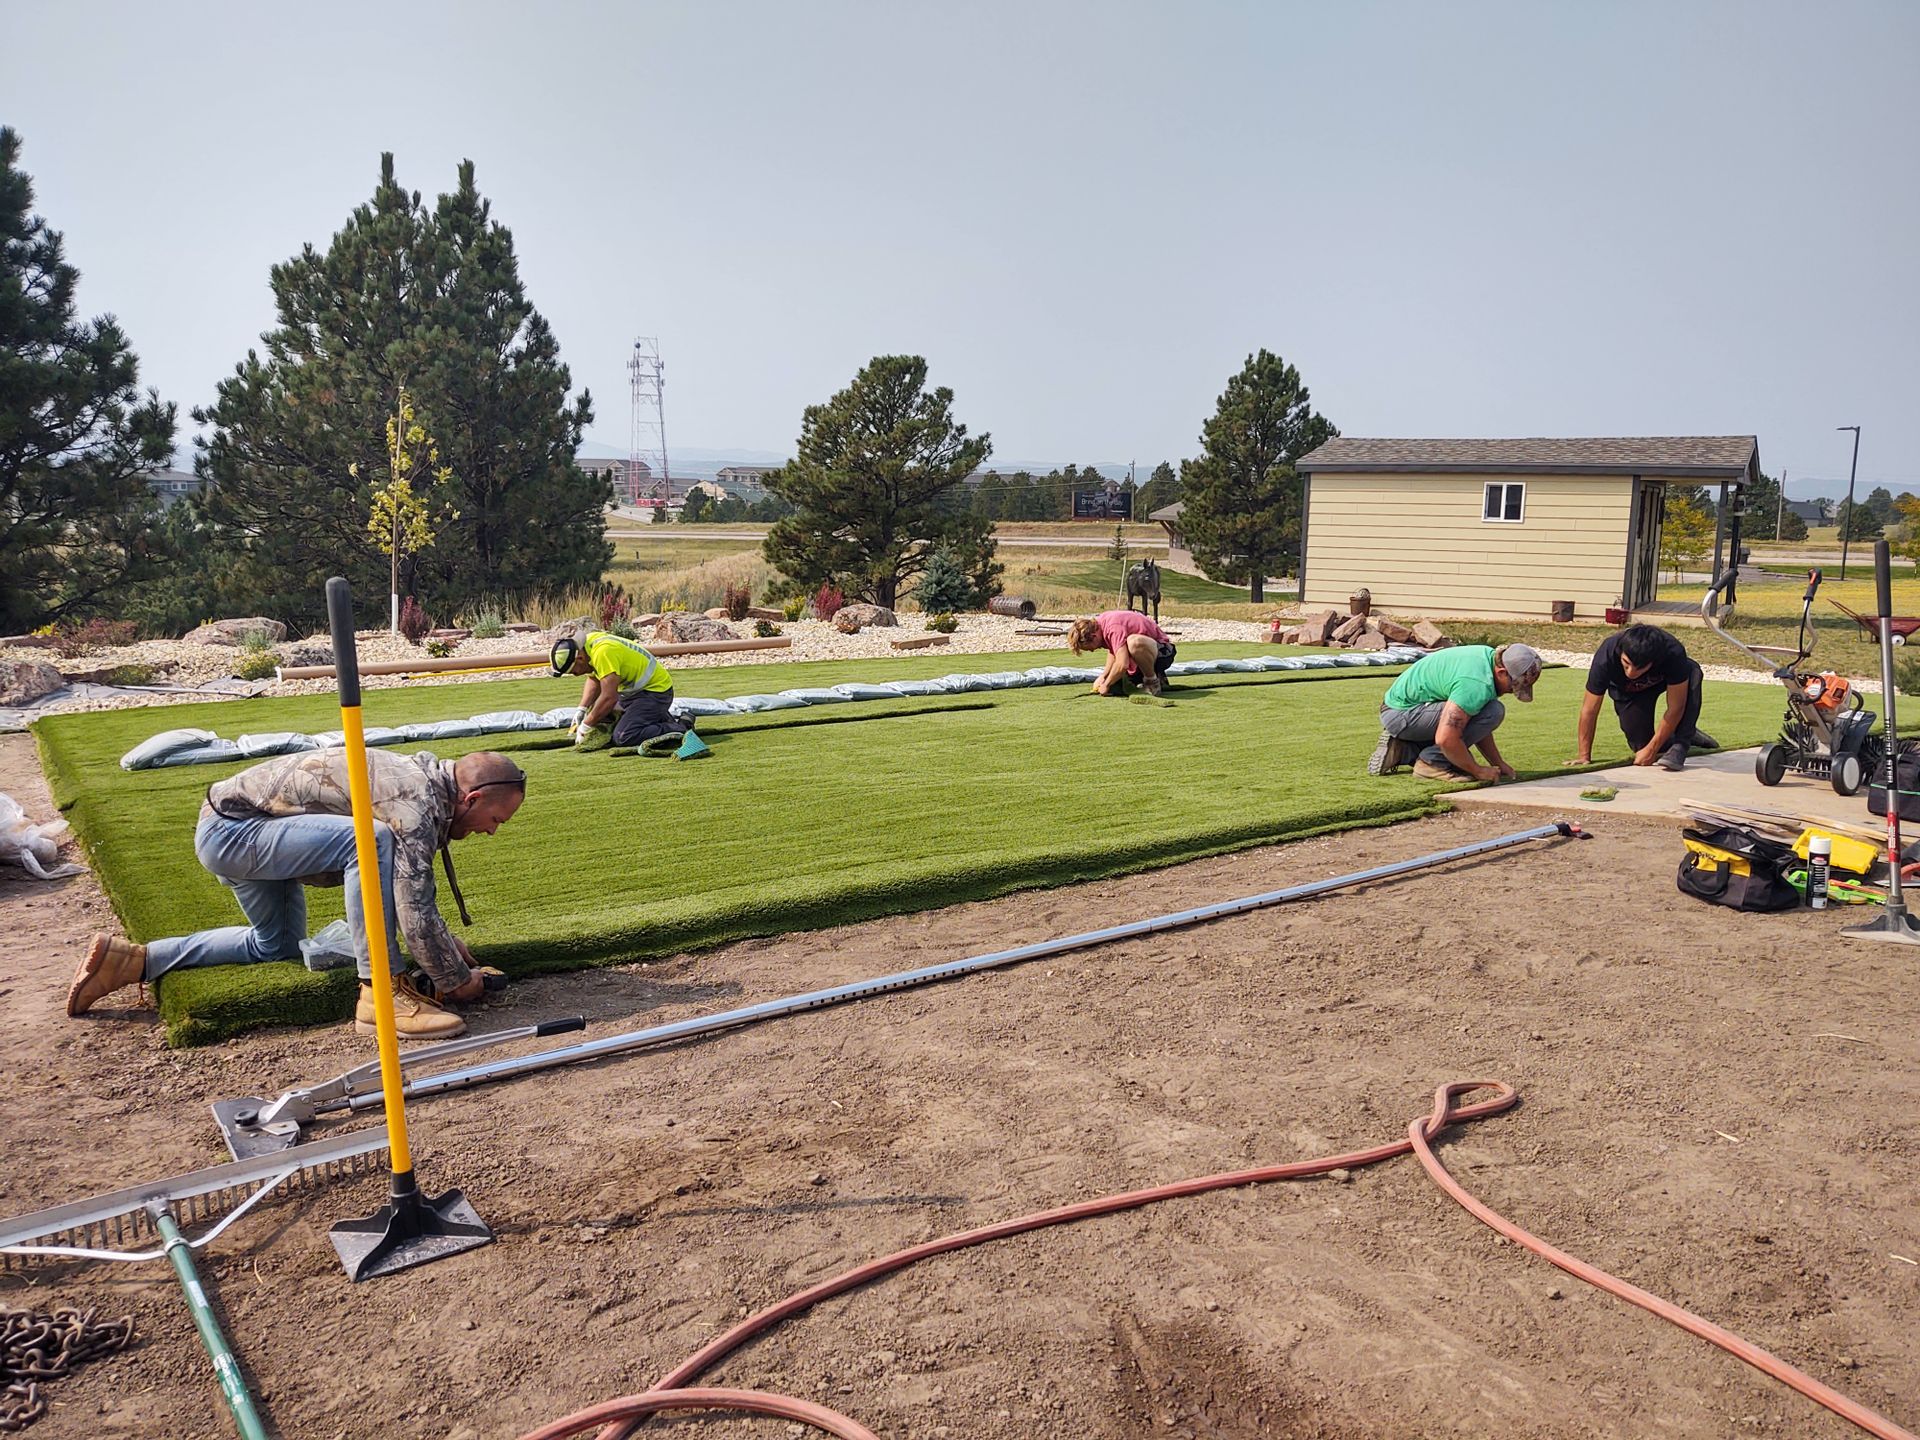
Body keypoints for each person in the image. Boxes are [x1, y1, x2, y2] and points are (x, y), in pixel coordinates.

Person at [66, 749, 527, 1039]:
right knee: (369, 841)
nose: (491, 833)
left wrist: (448, 951)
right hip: (237, 833)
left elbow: (416, 899)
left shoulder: (427, 784)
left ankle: (133, 961)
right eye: (496, 821)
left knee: (274, 945)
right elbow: (414, 908)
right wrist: (455, 981)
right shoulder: (416, 802)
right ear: (471, 799)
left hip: (247, 831)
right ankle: (379, 997)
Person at [1368, 642, 1542, 782]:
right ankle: (1430, 763)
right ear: (1502, 672)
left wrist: (1498, 763)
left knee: (1491, 710)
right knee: (1493, 711)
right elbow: (1446, 737)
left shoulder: (1487, 658)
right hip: (1401, 714)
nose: (1509, 692)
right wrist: (1478, 771)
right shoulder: (1475, 683)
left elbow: (1479, 724)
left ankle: (1406, 749)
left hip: (1410, 709)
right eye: (1513, 687)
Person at [1567, 623, 1717, 771]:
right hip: (1629, 692)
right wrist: (1584, 755)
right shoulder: (1607, 655)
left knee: (1693, 672)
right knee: (1642, 746)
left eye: (1639, 668)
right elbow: (1589, 710)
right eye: (1626, 663)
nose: (1631, 672)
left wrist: (1652, 750)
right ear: (1621, 652)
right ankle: (1690, 735)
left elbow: (1676, 707)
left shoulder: (1673, 652)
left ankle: (1681, 742)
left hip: (1664, 680)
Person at [551, 629, 690, 754]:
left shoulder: (603, 652)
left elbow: (609, 698)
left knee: (624, 736)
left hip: (655, 693)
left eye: (573, 671)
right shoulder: (587, 645)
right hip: (634, 694)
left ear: (579, 658)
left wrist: (586, 726)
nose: (575, 675)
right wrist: (582, 709)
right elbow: (594, 679)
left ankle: (680, 727)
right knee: (602, 718)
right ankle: (659, 718)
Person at [1067, 611, 1177, 696]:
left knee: (1134, 642)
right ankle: (1158, 677)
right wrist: (1104, 676)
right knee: (1115, 687)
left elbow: (1122, 664)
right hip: (1147, 654)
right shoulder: (1100, 624)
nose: (1091, 651)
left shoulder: (1113, 628)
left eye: (1088, 648)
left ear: (1093, 637)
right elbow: (1115, 651)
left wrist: (1106, 685)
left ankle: (1152, 682)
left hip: (1163, 652)